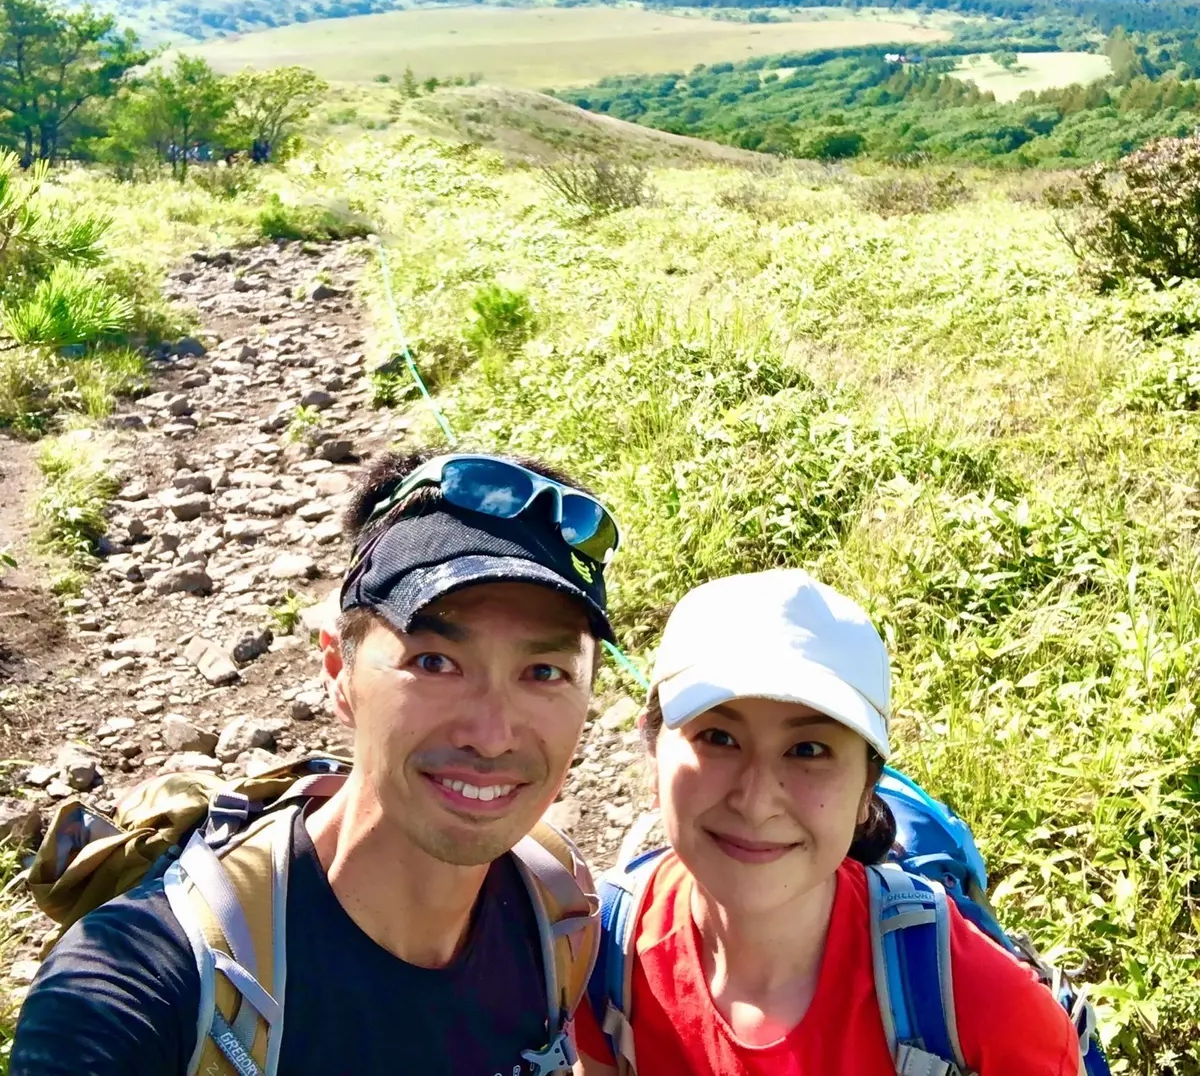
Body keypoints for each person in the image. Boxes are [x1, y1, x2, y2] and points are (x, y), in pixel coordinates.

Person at [13, 448, 621, 1076]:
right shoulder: (152, 981)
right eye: (435, 662)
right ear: (339, 671)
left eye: (544, 672)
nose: (492, 737)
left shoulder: (559, 910)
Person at [574, 569, 1083, 1076]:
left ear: (867, 787)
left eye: (808, 750)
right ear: (651, 749)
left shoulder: (983, 1008)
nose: (755, 802)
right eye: (718, 738)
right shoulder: (598, 956)